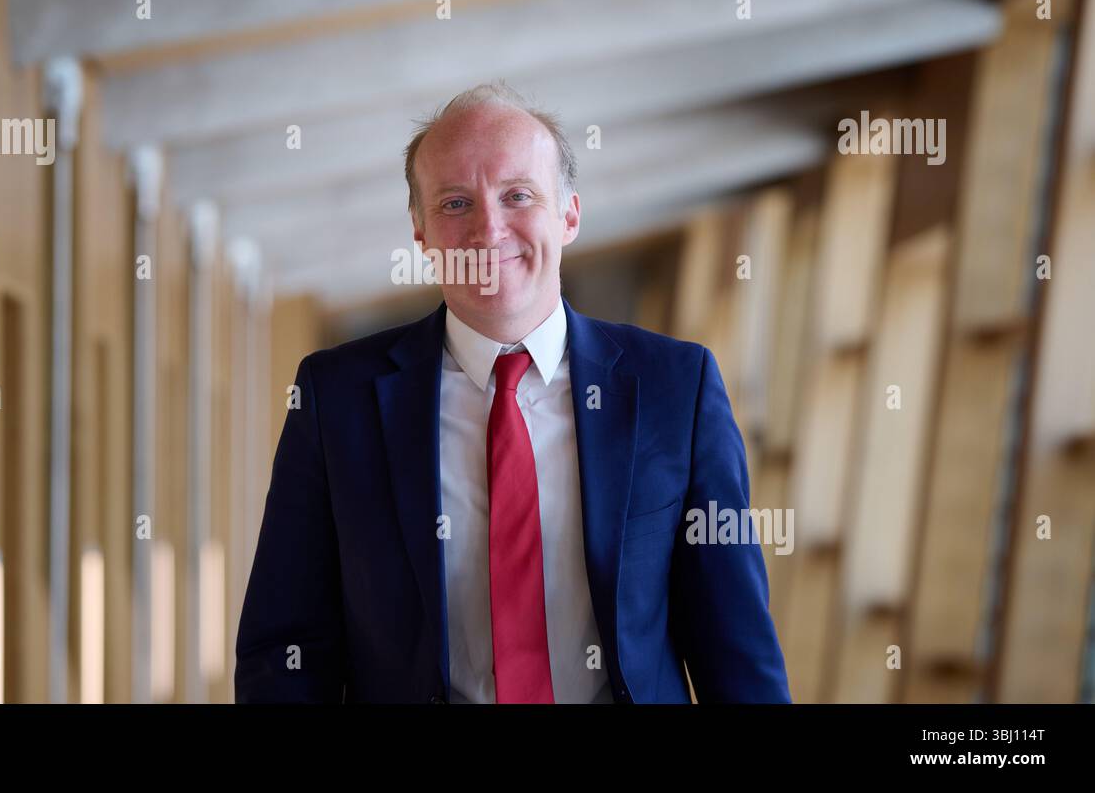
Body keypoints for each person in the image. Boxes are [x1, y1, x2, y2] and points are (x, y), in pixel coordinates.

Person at [235, 80, 791, 703]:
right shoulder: (337, 400)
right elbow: (286, 649)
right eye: (454, 204)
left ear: (570, 214)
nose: (488, 229)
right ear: (419, 230)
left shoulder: (675, 388)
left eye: (518, 195)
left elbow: (736, 648)